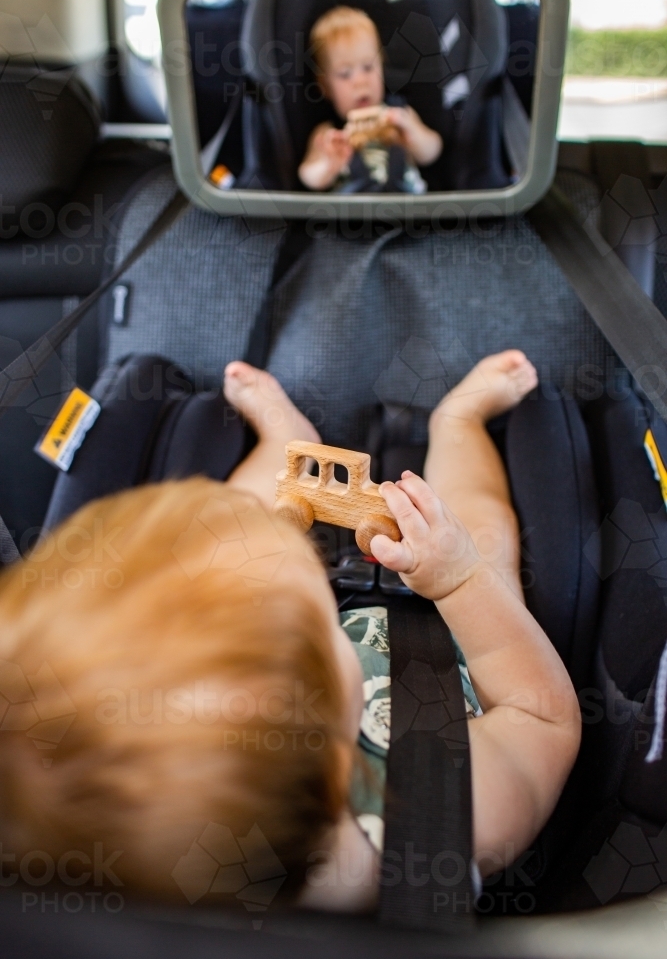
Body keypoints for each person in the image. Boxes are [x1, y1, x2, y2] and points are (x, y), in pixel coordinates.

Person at [0, 351, 580, 911]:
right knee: (485, 541)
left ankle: (285, 446)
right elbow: (541, 715)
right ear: (339, 764)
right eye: (327, 625)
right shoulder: (441, 823)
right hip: (456, 671)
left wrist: (263, 543)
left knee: (224, 533)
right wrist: (460, 581)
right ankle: (458, 423)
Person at [298, 6, 443, 193]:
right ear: (325, 86)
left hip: (409, 212)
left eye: (368, 67)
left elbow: (432, 152)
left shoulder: (401, 116)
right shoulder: (329, 133)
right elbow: (307, 175)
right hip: (353, 216)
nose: (360, 81)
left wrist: (413, 133)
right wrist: (328, 164)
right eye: (345, 74)